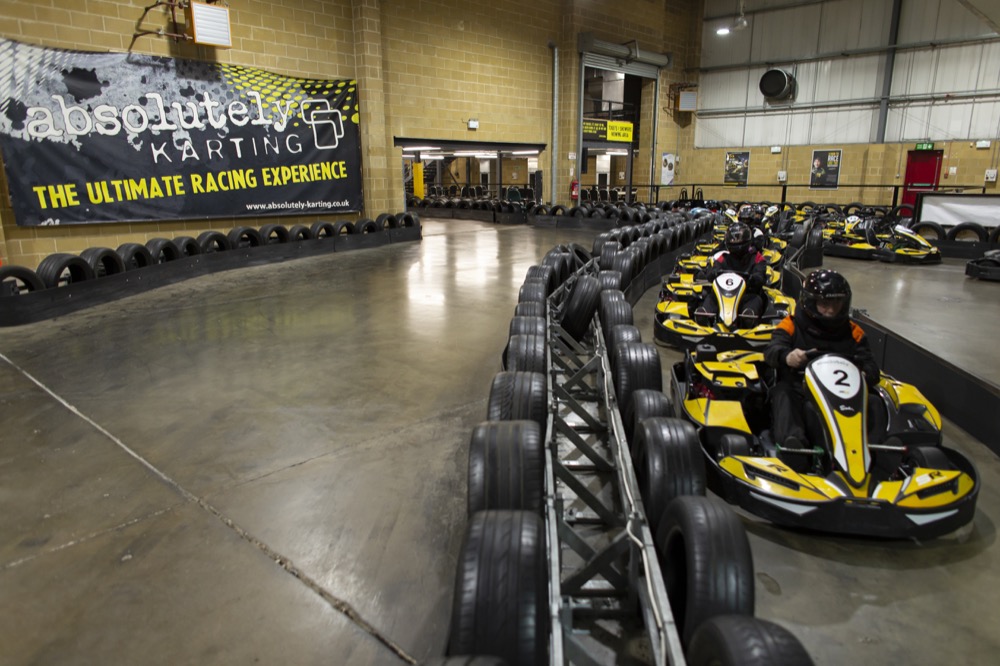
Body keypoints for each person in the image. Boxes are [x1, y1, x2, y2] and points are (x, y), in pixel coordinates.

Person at [764, 269, 880, 453]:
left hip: (845, 395)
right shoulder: (791, 324)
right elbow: (771, 351)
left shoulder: (853, 332)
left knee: (874, 402)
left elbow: (872, 367)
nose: (831, 310)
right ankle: (794, 446)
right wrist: (787, 356)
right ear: (811, 302)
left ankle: (874, 451)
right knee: (782, 393)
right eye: (825, 304)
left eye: (837, 303)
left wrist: (863, 374)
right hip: (802, 391)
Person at [693, 221, 768, 327]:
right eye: (733, 238)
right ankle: (704, 315)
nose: (735, 241)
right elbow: (711, 273)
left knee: (756, 299)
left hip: (747, 294)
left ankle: (748, 318)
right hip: (723, 294)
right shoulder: (723, 257)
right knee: (711, 297)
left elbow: (760, 276)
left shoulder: (756, 258)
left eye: (738, 238)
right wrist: (713, 273)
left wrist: (752, 278)